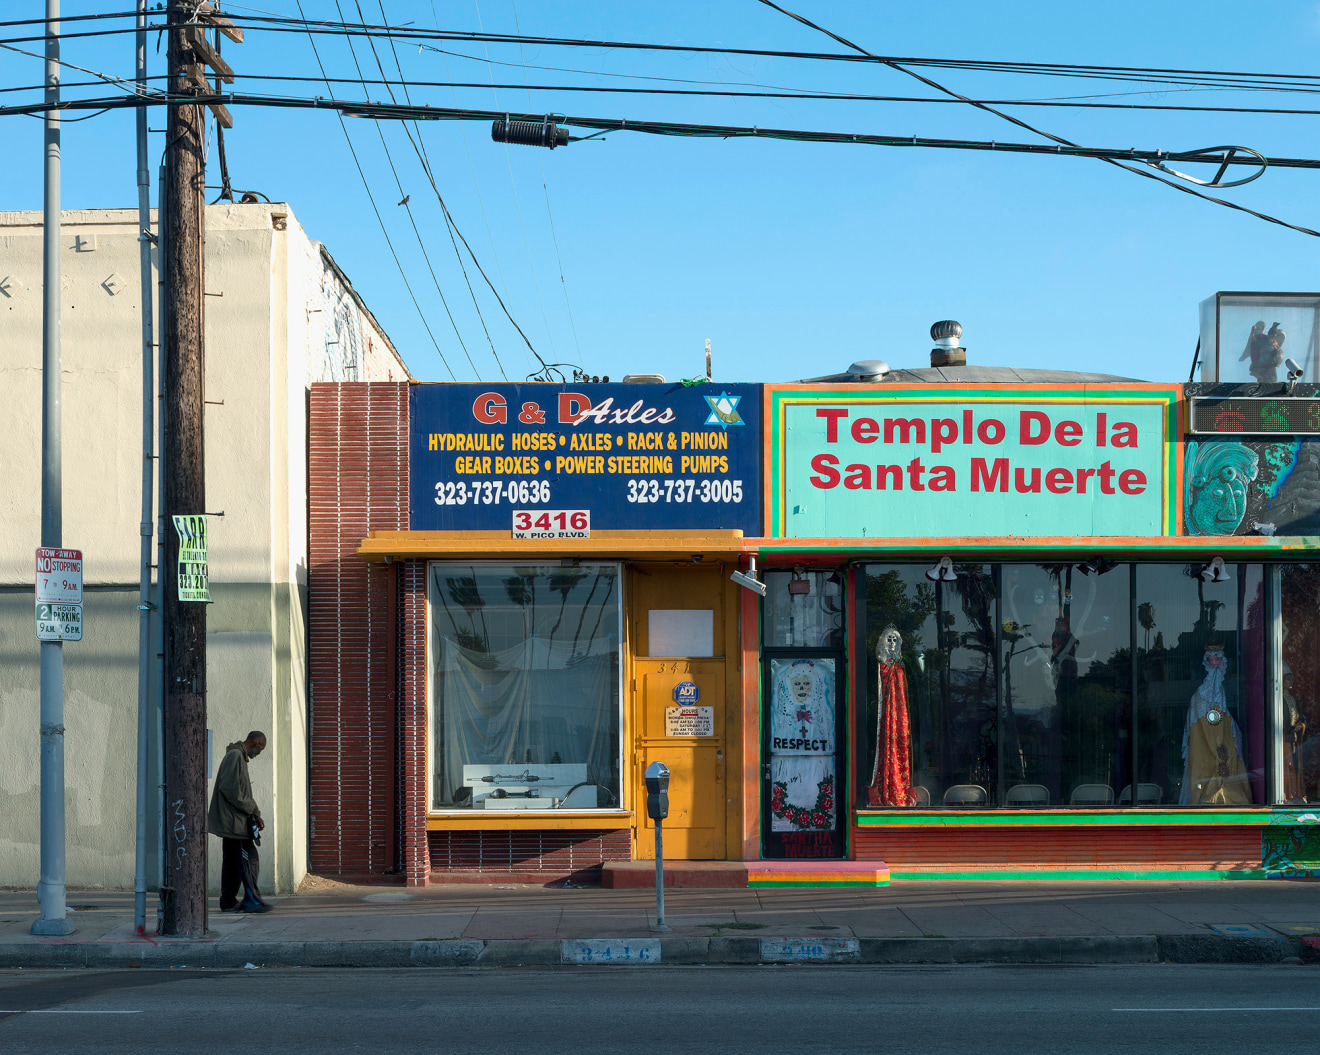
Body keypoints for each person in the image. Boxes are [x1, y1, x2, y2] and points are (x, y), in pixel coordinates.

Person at [208, 730, 272, 912]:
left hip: (234, 821)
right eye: (261, 748)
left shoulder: (238, 757)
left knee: (231, 864)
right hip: (235, 824)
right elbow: (229, 788)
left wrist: (255, 812)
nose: (260, 753)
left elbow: (241, 791)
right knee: (249, 859)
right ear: (256, 743)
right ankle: (252, 899)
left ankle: (228, 902)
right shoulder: (235, 756)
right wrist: (250, 809)